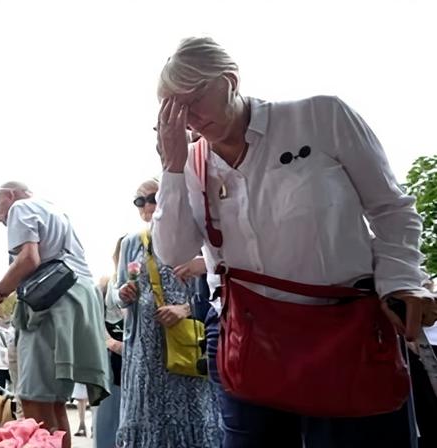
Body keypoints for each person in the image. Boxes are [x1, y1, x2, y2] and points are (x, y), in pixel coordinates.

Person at [153, 36, 436, 447]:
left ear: (230, 80)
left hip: (343, 332)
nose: (187, 118)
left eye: (193, 99)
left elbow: (392, 209)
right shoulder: (193, 165)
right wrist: (172, 169)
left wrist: (399, 280)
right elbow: (174, 252)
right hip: (247, 340)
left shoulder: (322, 117)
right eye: (172, 109)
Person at [0, 181, 111, 448]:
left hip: (53, 303)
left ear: (10, 196)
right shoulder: (56, 212)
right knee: (53, 401)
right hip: (79, 299)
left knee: (34, 399)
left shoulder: (21, 207)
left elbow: (28, 259)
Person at [115, 178, 221, 448]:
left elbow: (219, 285)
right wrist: (123, 295)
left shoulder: (194, 235)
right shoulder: (132, 242)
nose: (147, 205)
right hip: (146, 349)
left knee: (195, 408)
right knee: (149, 413)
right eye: (140, 201)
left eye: (152, 197)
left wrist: (186, 308)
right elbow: (114, 296)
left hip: (188, 341)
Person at [94, 236, 126, 448]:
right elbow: (94, 319)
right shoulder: (105, 286)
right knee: (108, 419)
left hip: (137, 358)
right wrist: (110, 342)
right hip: (111, 360)